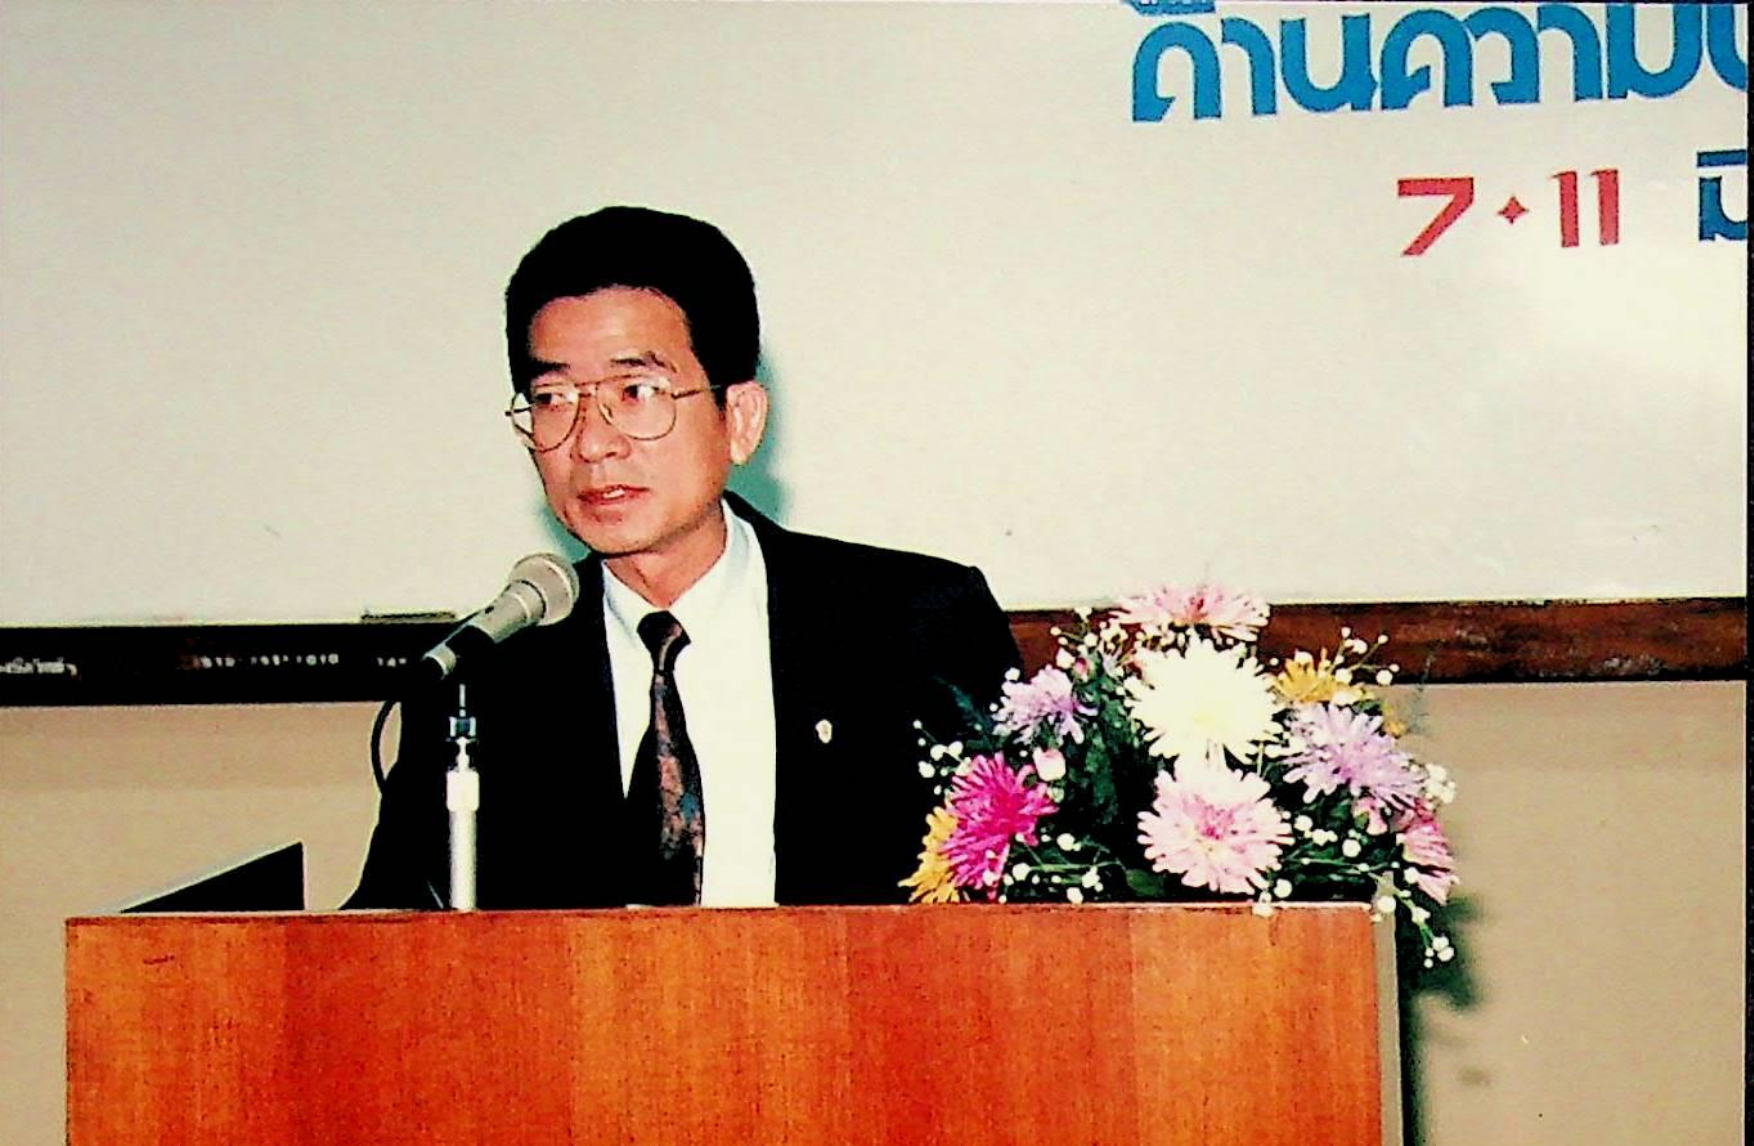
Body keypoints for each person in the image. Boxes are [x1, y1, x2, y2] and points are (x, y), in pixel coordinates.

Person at [346, 206, 1020, 910]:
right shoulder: (484, 678)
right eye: (553, 398)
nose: (592, 442)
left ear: (740, 419)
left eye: (637, 393)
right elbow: (384, 936)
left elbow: (1026, 914)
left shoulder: (915, 629)